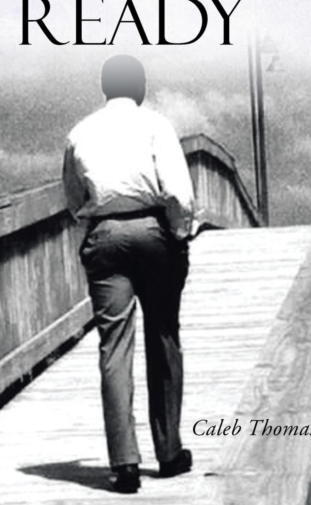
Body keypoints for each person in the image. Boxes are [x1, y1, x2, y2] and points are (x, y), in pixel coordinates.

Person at [62, 55, 196, 494]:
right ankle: (169, 452)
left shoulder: (79, 133)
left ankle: (124, 464)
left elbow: (73, 199)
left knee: (114, 348)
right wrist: (179, 235)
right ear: (139, 88)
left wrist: (96, 222)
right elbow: (178, 192)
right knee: (164, 336)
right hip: (153, 233)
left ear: (105, 89)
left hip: (104, 237)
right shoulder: (156, 125)